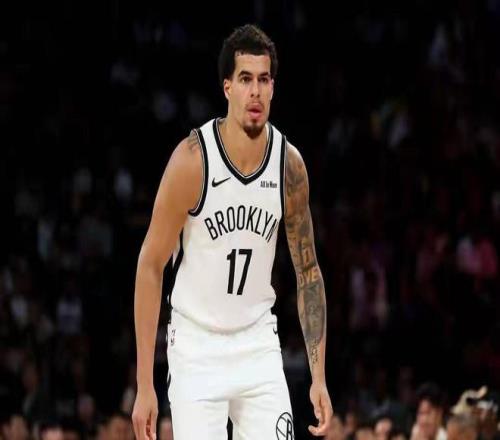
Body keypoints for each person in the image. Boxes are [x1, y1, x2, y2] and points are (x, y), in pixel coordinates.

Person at [132, 23, 333, 440]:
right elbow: (150, 265)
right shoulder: (192, 160)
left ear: (273, 88)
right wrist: (144, 383)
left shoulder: (289, 166)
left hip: (257, 342)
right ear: (227, 88)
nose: (255, 91)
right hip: (196, 344)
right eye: (245, 79)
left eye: (263, 80)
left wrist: (318, 376)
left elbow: (308, 272)